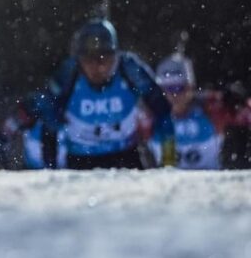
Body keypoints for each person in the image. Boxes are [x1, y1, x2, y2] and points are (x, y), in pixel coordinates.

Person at [23, 18, 175, 169]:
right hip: (80, 160)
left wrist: (169, 161)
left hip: (127, 158)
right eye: (89, 59)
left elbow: (162, 108)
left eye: (105, 59)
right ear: (79, 60)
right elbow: (48, 117)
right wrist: (51, 168)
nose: (98, 67)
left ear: (116, 55)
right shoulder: (69, 73)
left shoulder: (130, 69)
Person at [150, 53, 251, 170]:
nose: (174, 95)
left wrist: (242, 103)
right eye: (168, 89)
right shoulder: (149, 116)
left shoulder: (212, 109)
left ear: (191, 87)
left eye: (179, 88)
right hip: (167, 186)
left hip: (207, 185)